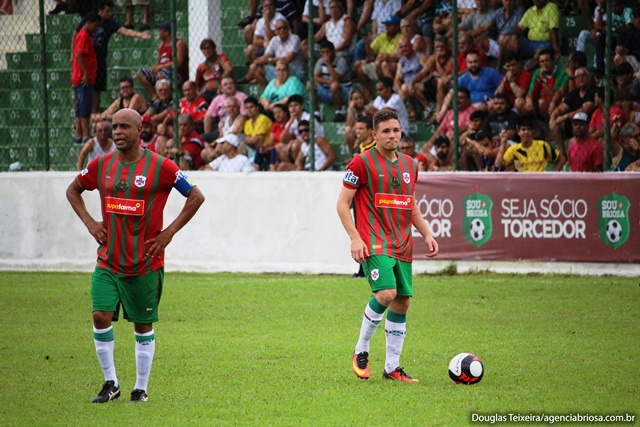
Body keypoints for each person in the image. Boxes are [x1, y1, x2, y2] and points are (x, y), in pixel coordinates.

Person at [65, 108, 204, 404]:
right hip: (108, 260)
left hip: (144, 262)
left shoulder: (162, 166)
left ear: (140, 131)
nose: (116, 132)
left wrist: (169, 232)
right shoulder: (101, 164)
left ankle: (140, 388)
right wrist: (91, 223)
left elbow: (196, 196)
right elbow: (73, 190)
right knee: (100, 315)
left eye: (124, 127)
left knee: (142, 326)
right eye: (114, 126)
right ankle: (110, 382)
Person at [336, 109, 438, 382]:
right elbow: (342, 204)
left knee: (402, 302)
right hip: (374, 241)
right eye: (385, 131)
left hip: (402, 242)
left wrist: (426, 233)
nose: (392, 135)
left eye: (395, 130)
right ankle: (361, 349)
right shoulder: (361, 163)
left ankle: (392, 367)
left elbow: (410, 203)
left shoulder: (410, 164)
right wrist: (355, 238)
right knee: (386, 294)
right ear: (374, 134)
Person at [73, 0, 151, 114]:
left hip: (99, 59)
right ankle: (78, 115)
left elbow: (124, 31)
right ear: (100, 11)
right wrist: (72, 55)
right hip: (85, 59)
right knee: (80, 87)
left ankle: (94, 115)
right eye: (108, 11)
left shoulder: (110, 23)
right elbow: (75, 35)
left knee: (97, 88)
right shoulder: (88, 20)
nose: (111, 14)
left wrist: (139, 34)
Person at [549, 66, 596, 160]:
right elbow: (561, 108)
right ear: (575, 80)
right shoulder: (574, 93)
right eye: (578, 77)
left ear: (588, 77)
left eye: (583, 75)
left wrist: (565, 116)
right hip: (572, 124)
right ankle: (562, 155)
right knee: (554, 125)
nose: (581, 78)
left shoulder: (594, 91)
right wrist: (553, 118)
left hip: (588, 124)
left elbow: (586, 109)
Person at [245, 19, 305, 88]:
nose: (282, 30)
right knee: (257, 68)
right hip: (279, 69)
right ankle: (269, 92)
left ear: (288, 29)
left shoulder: (294, 38)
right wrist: (259, 60)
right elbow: (266, 56)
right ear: (276, 31)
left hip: (296, 71)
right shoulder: (275, 39)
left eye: (284, 27)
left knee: (282, 67)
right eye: (279, 28)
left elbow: (287, 59)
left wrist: (270, 60)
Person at [137, 22, 189, 100]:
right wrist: (155, 68)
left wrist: (161, 67)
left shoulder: (179, 44)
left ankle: (167, 100)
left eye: (160, 30)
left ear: (166, 32)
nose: (158, 32)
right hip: (162, 72)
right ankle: (156, 96)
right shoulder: (161, 45)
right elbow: (159, 62)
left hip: (176, 73)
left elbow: (178, 62)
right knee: (141, 73)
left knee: (162, 75)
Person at [72, 12, 101, 146]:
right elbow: (79, 56)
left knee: (80, 106)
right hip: (83, 78)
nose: (96, 28)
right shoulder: (83, 36)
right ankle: (85, 134)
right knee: (84, 107)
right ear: (89, 22)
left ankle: (79, 135)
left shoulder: (82, 35)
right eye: (95, 25)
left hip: (80, 77)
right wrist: (86, 73)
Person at [495, 118, 565, 171]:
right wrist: (503, 143)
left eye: (528, 129)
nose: (526, 132)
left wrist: (553, 175)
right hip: (522, 183)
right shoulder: (514, 150)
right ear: (518, 132)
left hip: (539, 182)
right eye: (523, 129)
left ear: (532, 132)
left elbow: (562, 159)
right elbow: (498, 164)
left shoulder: (542, 145)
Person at [393, 37, 430, 122]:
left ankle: (427, 108)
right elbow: (397, 79)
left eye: (406, 46)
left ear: (411, 46)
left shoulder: (420, 56)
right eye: (401, 47)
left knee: (408, 87)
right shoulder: (401, 61)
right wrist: (400, 91)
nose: (404, 49)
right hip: (409, 87)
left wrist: (420, 81)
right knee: (404, 88)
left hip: (424, 84)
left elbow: (429, 70)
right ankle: (413, 111)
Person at [314, 40, 352, 122]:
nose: (325, 54)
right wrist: (329, 82)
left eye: (327, 52)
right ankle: (316, 113)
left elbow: (336, 79)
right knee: (310, 85)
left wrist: (328, 64)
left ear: (333, 51)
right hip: (325, 89)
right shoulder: (320, 61)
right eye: (323, 52)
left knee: (335, 85)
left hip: (343, 90)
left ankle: (339, 112)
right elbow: (316, 77)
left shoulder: (341, 61)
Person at [203, 78, 248, 143]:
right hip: (220, 130)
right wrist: (208, 133)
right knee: (202, 139)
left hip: (236, 132)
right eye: (225, 84)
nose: (229, 86)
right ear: (221, 88)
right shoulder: (218, 98)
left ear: (235, 85)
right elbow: (208, 116)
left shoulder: (241, 97)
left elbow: (244, 116)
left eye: (231, 83)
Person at [195, 38, 232, 105]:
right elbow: (197, 85)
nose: (207, 51)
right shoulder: (201, 67)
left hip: (221, 90)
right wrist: (198, 92)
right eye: (204, 49)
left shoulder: (220, 58)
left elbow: (229, 68)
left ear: (214, 48)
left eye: (209, 48)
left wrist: (221, 84)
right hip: (207, 92)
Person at [243, 96, 273, 170]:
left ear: (257, 108)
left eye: (251, 107)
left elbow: (260, 141)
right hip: (253, 150)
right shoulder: (247, 122)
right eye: (247, 108)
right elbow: (246, 141)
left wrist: (251, 140)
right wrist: (254, 139)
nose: (249, 110)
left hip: (265, 150)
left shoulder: (262, 119)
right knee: (240, 147)